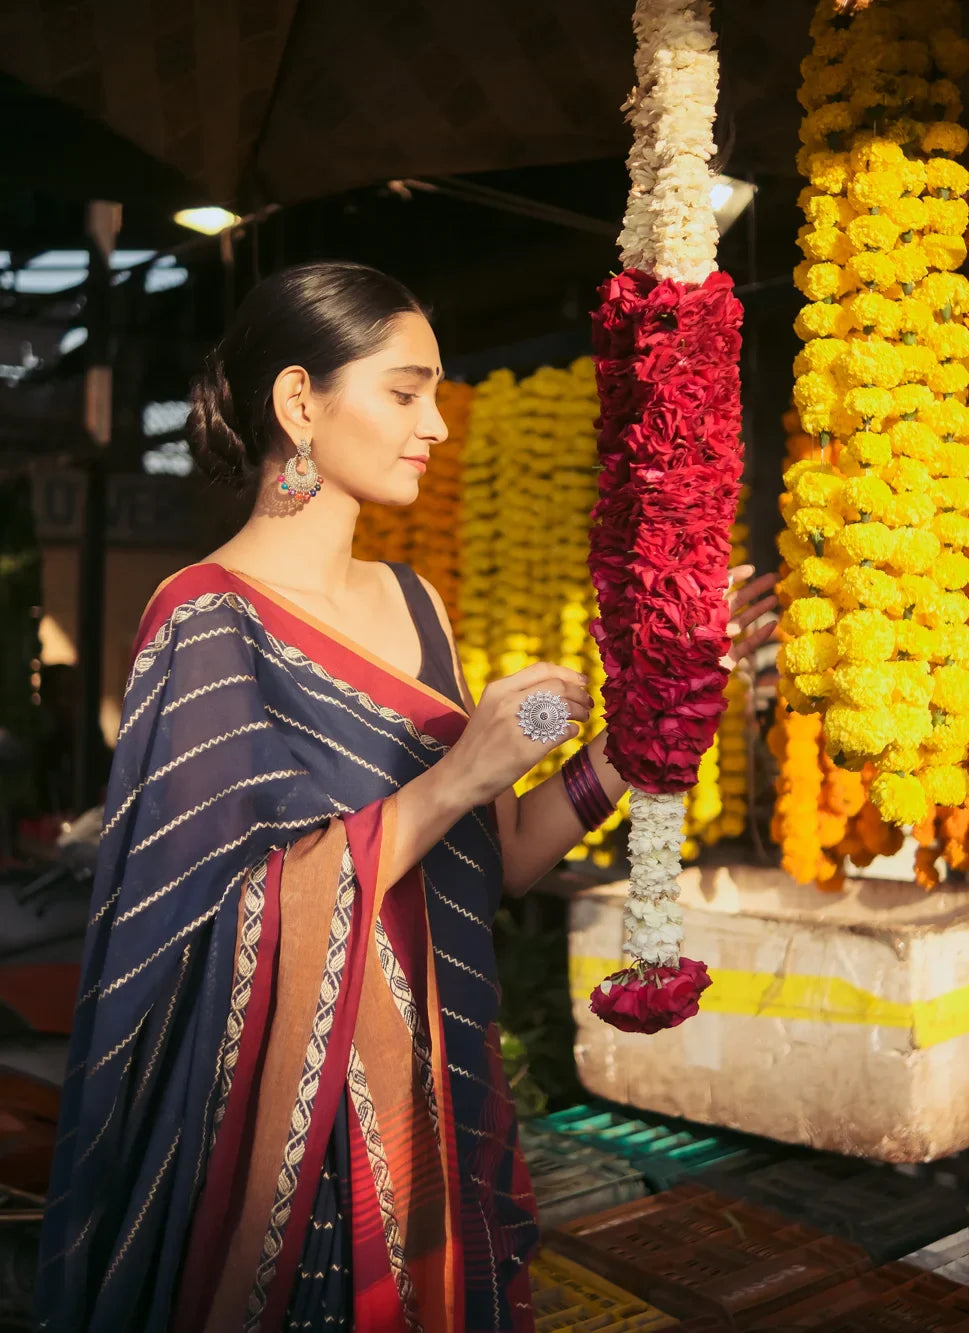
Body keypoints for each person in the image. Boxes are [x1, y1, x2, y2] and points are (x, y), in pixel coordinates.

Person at [36, 261, 776, 1332]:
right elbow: (201, 941)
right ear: (300, 402)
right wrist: (460, 772)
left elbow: (503, 857)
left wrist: (648, 723)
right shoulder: (203, 621)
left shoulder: (414, 599)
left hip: (449, 1102)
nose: (434, 423)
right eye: (403, 390)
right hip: (309, 1157)